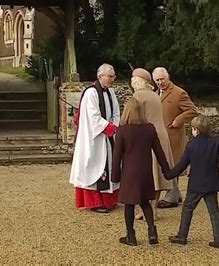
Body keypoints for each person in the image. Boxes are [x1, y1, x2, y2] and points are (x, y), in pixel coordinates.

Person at [165, 115, 219, 250]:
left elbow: (181, 165)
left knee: (188, 209)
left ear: (197, 130)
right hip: (212, 183)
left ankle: (182, 236)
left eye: (193, 129)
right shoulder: (215, 143)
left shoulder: (191, 145)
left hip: (196, 184)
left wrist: (168, 174)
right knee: (214, 212)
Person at [111, 97, 170, 246]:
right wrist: (166, 169)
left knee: (129, 205)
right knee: (145, 202)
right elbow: (159, 151)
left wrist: (114, 176)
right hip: (145, 171)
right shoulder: (149, 128)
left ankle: (131, 236)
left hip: (129, 172)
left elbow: (117, 156)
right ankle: (152, 232)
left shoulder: (123, 131)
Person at [69, 63, 120, 213]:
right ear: (100, 76)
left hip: (107, 137)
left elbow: (116, 112)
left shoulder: (111, 92)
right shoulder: (91, 93)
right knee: (94, 165)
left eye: (113, 76)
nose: (112, 79)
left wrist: (114, 125)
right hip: (94, 137)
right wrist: (108, 127)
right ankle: (96, 202)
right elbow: (92, 117)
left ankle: (109, 199)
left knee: (109, 165)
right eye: (109, 76)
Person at [131, 68, 175, 221]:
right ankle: (153, 208)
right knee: (157, 174)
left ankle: (146, 210)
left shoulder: (138, 96)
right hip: (161, 135)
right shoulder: (155, 95)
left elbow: (134, 119)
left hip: (146, 137)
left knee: (146, 174)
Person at [152, 67, 198, 209]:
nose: (160, 82)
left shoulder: (179, 93)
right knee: (164, 164)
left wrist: (178, 120)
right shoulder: (155, 93)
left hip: (173, 135)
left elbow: (192, 110)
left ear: (168, 77)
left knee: (172, 164)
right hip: (160, 136)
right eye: (157, 80)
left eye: (162, 79)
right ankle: (174, 193)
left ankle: (171, 196)